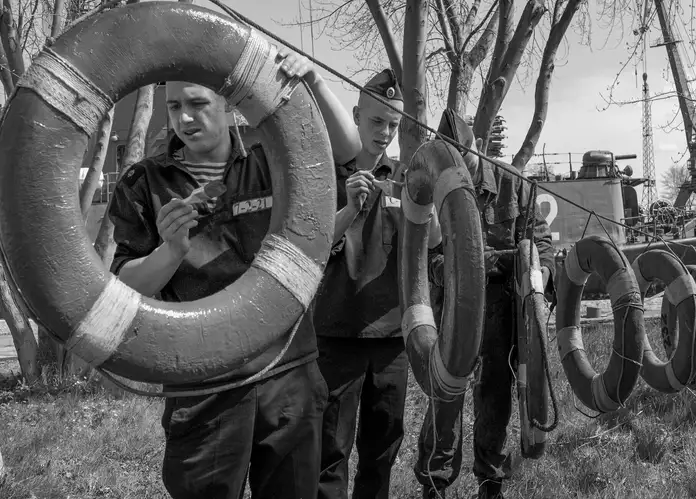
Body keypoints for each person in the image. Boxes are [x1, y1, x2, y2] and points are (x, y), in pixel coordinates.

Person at [107, 49, 360, 499]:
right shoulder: (144, 182)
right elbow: (125, 285)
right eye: (174, 106)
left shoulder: (270, 158)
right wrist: (171, 251)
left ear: (226, 102)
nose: (185, 118)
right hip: (204, 383)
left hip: (288, 372)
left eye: (198, 103)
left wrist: (316, 85)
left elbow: (346, 152)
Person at [414, 109, 555, 499]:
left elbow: (541, 243)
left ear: (476, 148)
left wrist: (538, 280)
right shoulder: (435, 186)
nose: (459, 171)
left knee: (495, 395)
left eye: (465, 160)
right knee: (445, 396)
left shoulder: (514, 183)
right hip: (452, 308)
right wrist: (453, 270)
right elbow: (426, 255)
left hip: (502, 307)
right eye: (451, 163)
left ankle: (491, 483)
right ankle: (435, 483)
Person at [314, 68, 416, 499]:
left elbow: (428, 246)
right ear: (356, 116)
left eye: (393, 125)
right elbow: (309, 250)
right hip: (336, 336)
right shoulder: (324, 174)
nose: (385, 133)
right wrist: (348, 209)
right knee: (329, 452)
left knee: (382, 450)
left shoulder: (406, 180)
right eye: (376, 121)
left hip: (391, 340)